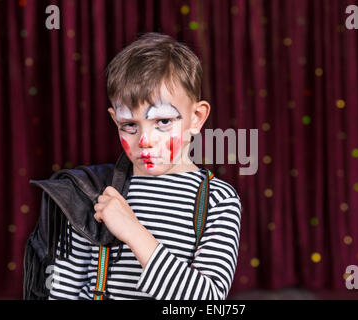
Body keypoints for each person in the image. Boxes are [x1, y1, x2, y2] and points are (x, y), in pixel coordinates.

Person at [46, 32, 242, 300]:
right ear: (115, 121)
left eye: (162, 122)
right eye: (130, 125)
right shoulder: (92, 191)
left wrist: (133, 231)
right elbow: (62, 290)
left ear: (196, 117)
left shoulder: (218, 201)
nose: (145, 141)